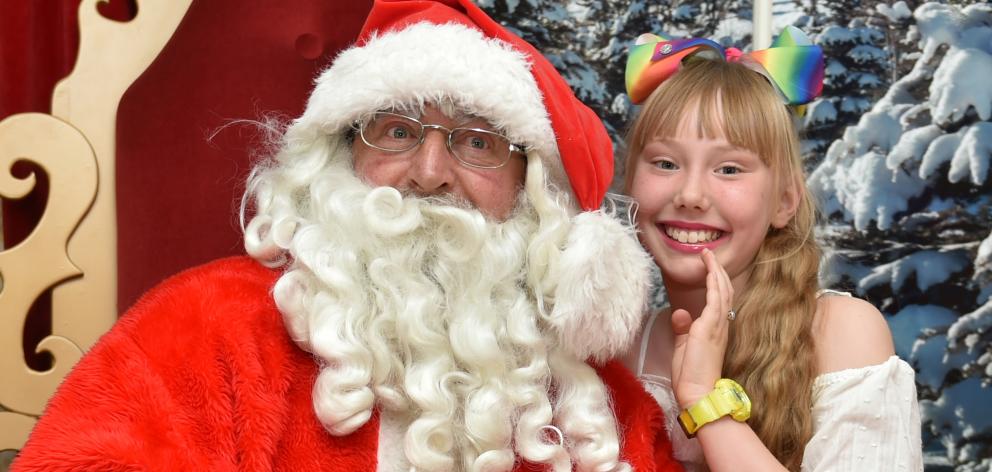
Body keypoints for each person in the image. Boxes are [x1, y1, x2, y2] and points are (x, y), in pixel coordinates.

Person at [13, 1, 684, 471]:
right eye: (396, 132)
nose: (428, 174)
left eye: (476, 144)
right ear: (340, 155)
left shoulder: (589, 408)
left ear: (530, 191)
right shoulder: (202, 329)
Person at [620, 29, 923, 471]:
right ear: (630, 183)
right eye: (665, 163)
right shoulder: (625, 349)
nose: (690, 194)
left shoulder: (843, 336)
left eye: (728, 168)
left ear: (784, 201)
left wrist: (706, 401)